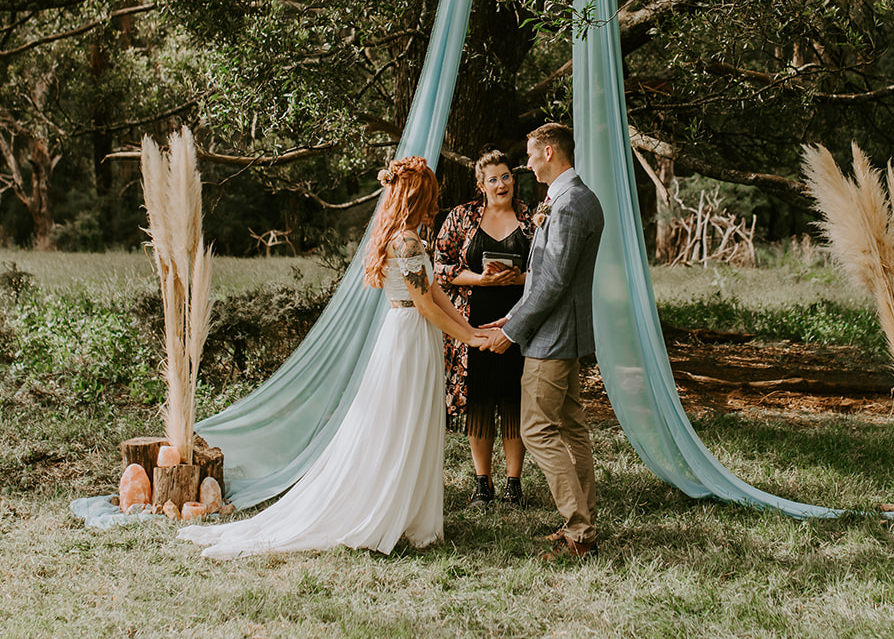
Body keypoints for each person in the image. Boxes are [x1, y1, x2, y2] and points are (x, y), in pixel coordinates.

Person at [179, 157, 484, 560]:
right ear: (415, 197)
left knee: (414, 422)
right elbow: (425, 305)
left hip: (413, 334)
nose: (436, 202)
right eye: (430, 195)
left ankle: (411, 511)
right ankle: (388, 508)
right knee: (401, 424)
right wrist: (471, 340)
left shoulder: (408, 237)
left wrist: (471, 329)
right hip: (409, 335)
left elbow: (436, 293)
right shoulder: (406, 242)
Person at [478, 122, 604, 559]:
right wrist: (508, 317)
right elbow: (545, 282)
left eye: (530, 155)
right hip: (564, 333)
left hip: (552, 338)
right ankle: (583, 522)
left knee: (536, 429)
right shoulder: (574, 198)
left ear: (549, 152)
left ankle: (579, 532)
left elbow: (550, 285)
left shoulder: (568, 205)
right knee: (571, 427)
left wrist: (511, 333)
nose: (526, 164)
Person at [434, 148, 535, 509]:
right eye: (492, 179)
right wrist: (479, 278)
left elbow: (547, 267)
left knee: (513, 400)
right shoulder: (461, 217)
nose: (501, 184)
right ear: (481, 184)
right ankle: (482, 483)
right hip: (472, 323)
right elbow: (440, 266)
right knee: (479, 400)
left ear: (514, 179)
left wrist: (520, 276)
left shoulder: (531, 217)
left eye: (506, 176)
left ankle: (513, 483)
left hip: (519, 322)